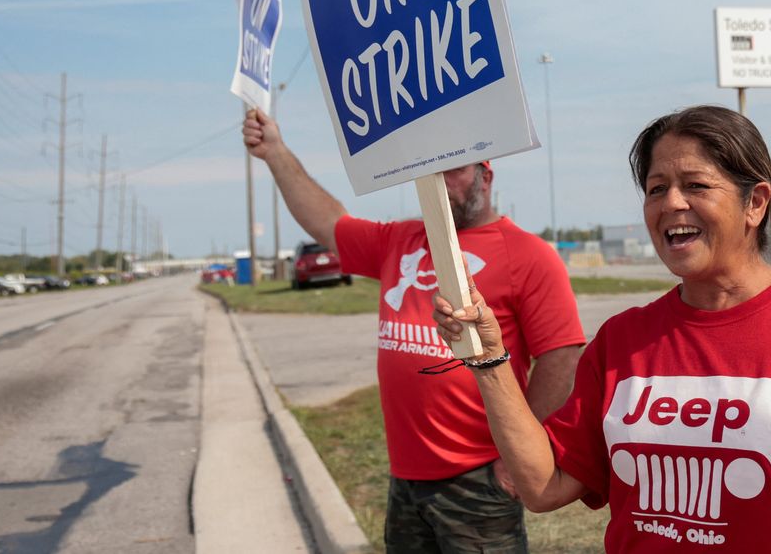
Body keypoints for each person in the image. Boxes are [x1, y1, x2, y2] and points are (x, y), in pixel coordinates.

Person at [433, 105, 771, 552]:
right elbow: (545, 486)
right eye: (657, 189)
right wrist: (488, 359)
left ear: (755, 202)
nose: (671, 203)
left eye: (695, 185)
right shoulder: (623, 340)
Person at [242, 108, 586, 552]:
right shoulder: (399, 240)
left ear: (486, 174)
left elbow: (563, 358)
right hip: (406, 476)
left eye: (455, 170)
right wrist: (274, 151)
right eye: (430, 173)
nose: (442, 183)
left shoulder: (528, 255)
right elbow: (328, 223)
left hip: (481, 477)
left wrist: (519, 457)